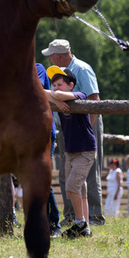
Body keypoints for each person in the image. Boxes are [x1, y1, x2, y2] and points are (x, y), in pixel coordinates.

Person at [41, 39, 104, 225]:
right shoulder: (59, 76)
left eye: (51, 56)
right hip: (67, 126)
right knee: (66, 174)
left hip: (87, 123)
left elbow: (94, 100)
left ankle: (93, 217)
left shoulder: (82, 69)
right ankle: (72, 216)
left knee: (89, 172)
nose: (50, 60)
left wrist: (87, 130)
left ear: (58, 56)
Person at [45, 65, 96, 238]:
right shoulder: (58, 99)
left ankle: (80, 222)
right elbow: (42, 92)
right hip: (70, 151)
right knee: (79, 189)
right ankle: (85, 228)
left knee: (71, 187)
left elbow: (54, 95)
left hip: (85, 150)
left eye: (60, 84)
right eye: (54, 85)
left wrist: (56, 98)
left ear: (71, 85)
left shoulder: (80, 96)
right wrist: (57, 101)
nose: (56, 88)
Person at [36, 62, 63, 238]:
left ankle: (54, 224)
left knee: (42, 178)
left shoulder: (36, 68)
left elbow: (34, 91)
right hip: (24, 133)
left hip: (42, 132)